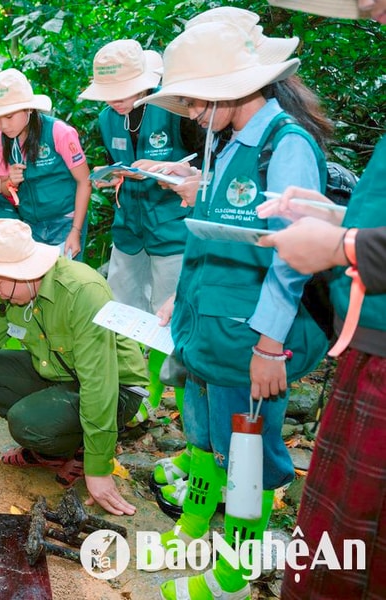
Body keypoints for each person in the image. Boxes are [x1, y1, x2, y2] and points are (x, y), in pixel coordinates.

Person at [133, 22, 329, 599]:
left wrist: (271, 346)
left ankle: (234, 576)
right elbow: (213, 239)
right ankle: (195, 526)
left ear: (232, 88)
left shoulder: (284, 146)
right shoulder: (224, 144)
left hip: (250, 338)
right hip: (205, 331)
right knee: (201, 431)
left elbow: (293, 257)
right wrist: (178, 296)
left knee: (247, 451)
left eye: (195, 98)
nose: (190, 111)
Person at [260, 0, 386, 597]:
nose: (369, 11)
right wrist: (337, 217)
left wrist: (342, 245)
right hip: (369, 344)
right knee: (337, 553)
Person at [0, 219, 149, 516]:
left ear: (23, 273)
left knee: (25, 422)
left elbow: (99, 383)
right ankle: (53, 445)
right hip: (58, 374)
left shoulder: (82, 291)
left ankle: (75, 448)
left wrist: (98, 467)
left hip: (117, 389)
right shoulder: (7, 294)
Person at [79, 39, 199, 431]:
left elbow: (201, 168)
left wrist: (165, 172)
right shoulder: (106, 118)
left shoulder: (176, 110)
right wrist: (110, 176)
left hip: (170, 232)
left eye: (123, 91)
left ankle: (184, 408)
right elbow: (115, 161)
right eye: (108, 93)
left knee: (171, 318)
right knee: (124, 316)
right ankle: (137, 397)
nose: (115, 100)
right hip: (129, 230)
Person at [0, 69, 91, 258]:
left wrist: (75, 231)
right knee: (36, 285)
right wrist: (10, 181)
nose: (3, 125)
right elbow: (3, 188)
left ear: (29, 108)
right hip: (29, 225)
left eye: (9, 116)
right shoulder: (0, 139)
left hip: (66, 220)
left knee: (66, 282)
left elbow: (84, 181)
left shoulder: (59, 132)